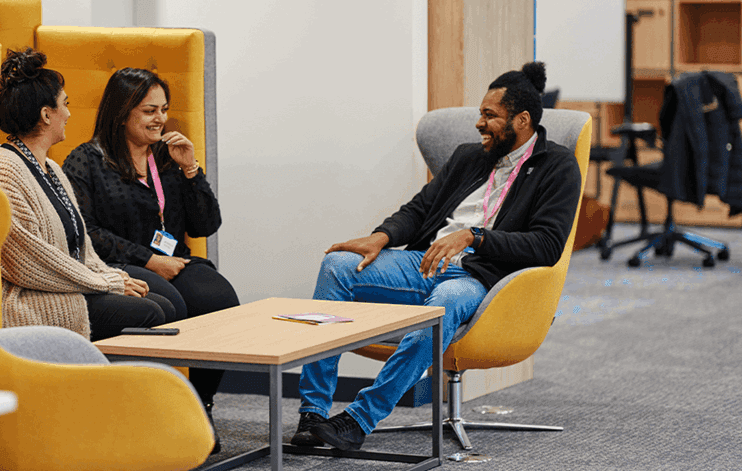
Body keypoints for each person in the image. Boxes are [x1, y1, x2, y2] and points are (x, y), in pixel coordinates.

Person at [292, 62, 582, 451]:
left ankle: (358, 420)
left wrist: (475, 237)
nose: (479, 124)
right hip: (426, 263)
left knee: (442, 305)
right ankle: (312, 413)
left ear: (523, 120)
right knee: (338, 267)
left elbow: (546, 245)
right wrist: (381, 237)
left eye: (489, 116)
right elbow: (419, 209)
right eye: (481, 114)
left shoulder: (557, 167)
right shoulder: (469, 157)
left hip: (479, 278)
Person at [62, 67, 240, 453]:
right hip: (118, 266)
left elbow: (206, 224)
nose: (160, 119)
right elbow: (85, 232)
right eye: (148, 111)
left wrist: (191, 169)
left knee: (222, 304)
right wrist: (148, 259)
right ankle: (152, 412)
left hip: (175, 262)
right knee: (169, 309)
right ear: (122, 113)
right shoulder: (86, 161)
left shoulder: (166, 156)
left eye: (164, 109)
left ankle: (199, 403)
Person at [0, 48, 177, 342]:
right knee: (153, 313)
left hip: (72, 283)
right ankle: (107, 386)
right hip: (38, 296)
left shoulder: (52, 168)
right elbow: (29, 262)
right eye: (64, 105)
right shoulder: (7, 170)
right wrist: (105, 282)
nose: (68, 114)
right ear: (46, 115)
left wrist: (113, 276)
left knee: (166, 305)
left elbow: (83, 248)